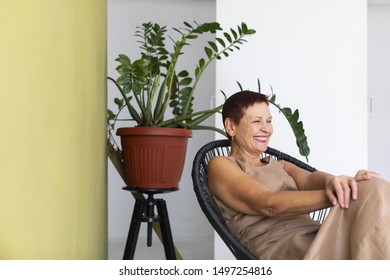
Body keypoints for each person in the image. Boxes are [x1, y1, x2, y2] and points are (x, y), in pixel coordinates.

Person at [207, 90, 390, 259]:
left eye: (269, 121)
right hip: (286, 248)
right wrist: (339, 195)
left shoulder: (281, 165)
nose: (266, 129)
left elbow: (312, 179)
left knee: (374, 186)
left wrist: (340, 182)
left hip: (319, 235)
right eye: (256, 121)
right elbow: (268, 204)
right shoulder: (221, 165)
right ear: (231, 126)